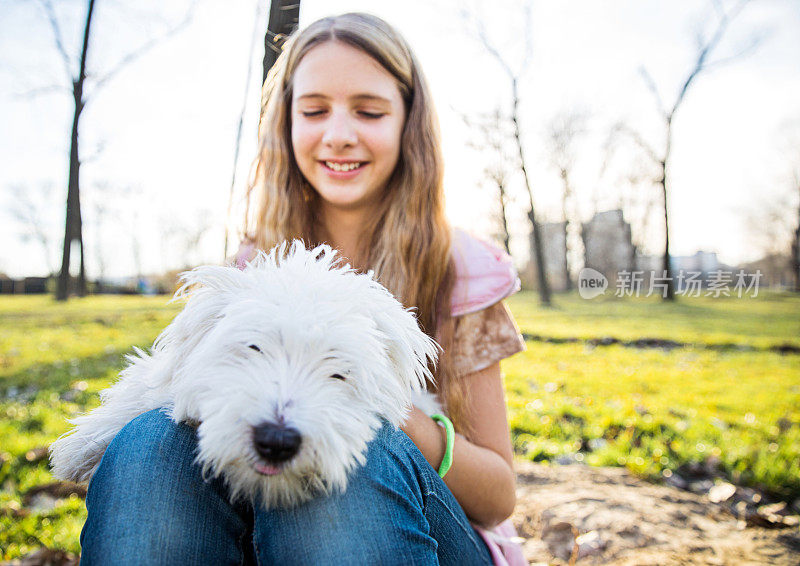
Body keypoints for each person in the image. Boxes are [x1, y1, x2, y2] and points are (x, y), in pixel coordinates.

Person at [80, 12, 526, 565]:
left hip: (440, 534)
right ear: (285, 121)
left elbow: (499, 497)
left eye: (369, 110)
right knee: (152, 446)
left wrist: (379, 401)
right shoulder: (251, 267)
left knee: (358, 453)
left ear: (409, 121)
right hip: (260, 524)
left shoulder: (461, 267)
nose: (339, 135)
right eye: (314, 110)